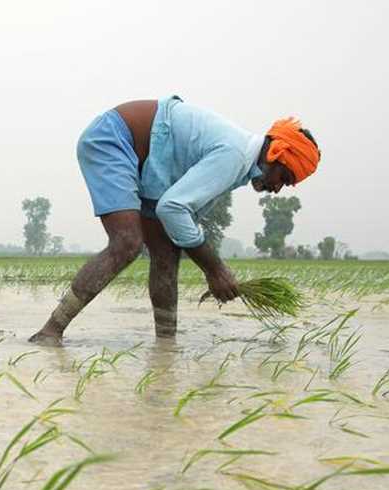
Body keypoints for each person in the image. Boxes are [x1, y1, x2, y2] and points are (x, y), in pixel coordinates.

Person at [29, 96, 320, 346]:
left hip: (152, 166)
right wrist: (214, 268)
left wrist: (211, 265)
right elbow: (173, 208)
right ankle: (50, 332)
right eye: (283, 178)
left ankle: (165, 345)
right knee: (127, 243)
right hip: (114, 141)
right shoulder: (234, 155)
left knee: (167, 252)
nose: (278, 188)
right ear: (275, 153)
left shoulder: (240, 162)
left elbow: (180, 212)